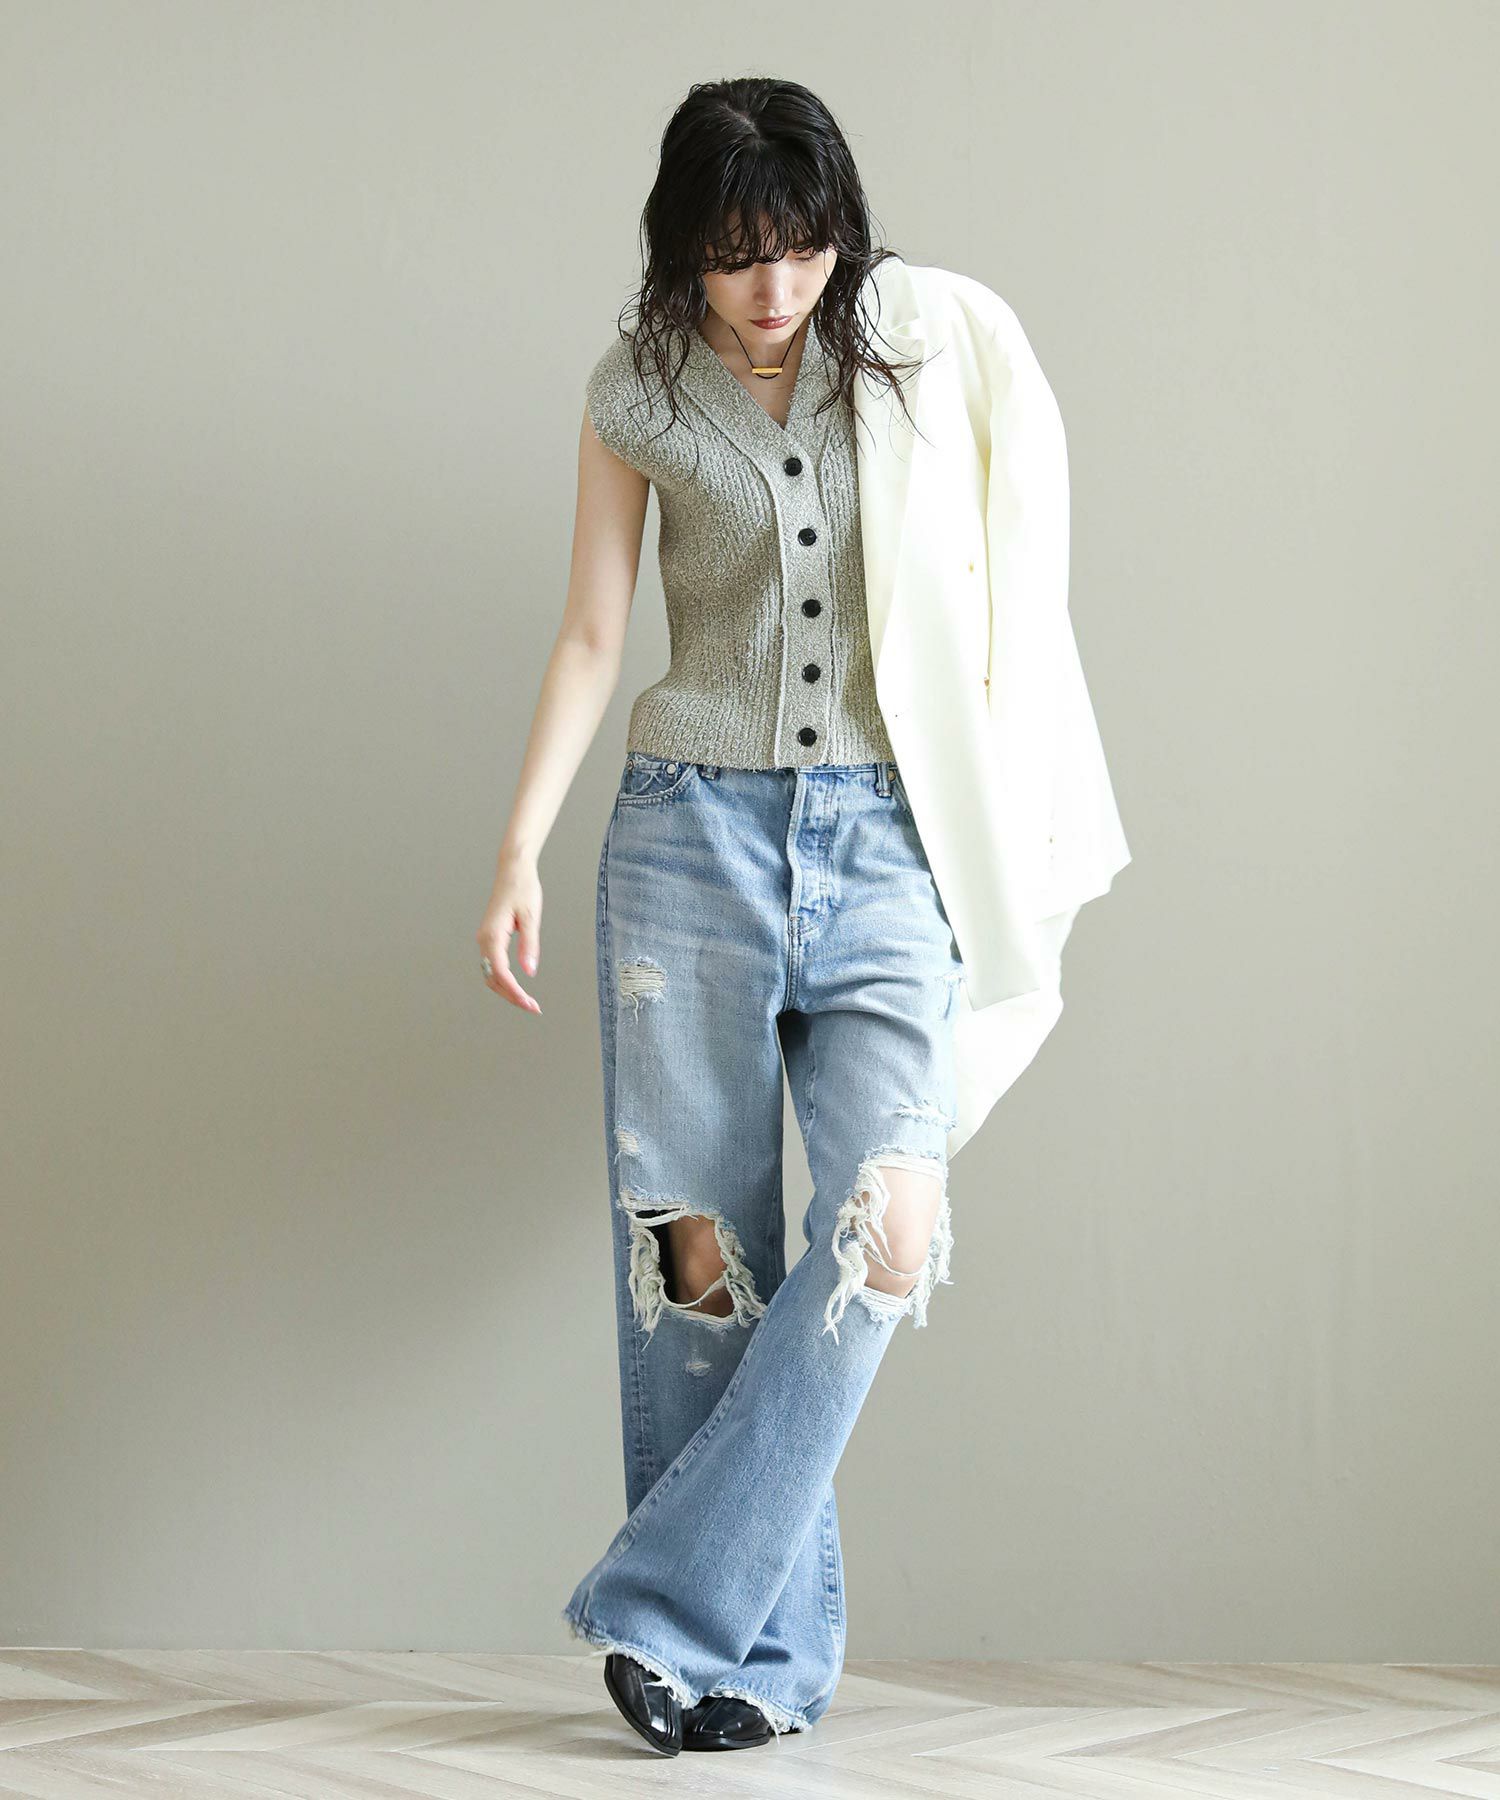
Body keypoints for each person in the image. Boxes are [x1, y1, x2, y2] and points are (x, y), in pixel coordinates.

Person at [476, 76, 1129, 1756]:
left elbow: (1014, 549)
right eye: (739, 250)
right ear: (682, 246)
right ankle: (752, 1674)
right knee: (697, 1256)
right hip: (685, 843)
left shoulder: (911, 358)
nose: (778, 285)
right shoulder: (635, 389)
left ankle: (663, 1604)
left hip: (890, 846)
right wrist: (521, 846)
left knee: (887, 1226)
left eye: (807, 244)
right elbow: (591, 634)